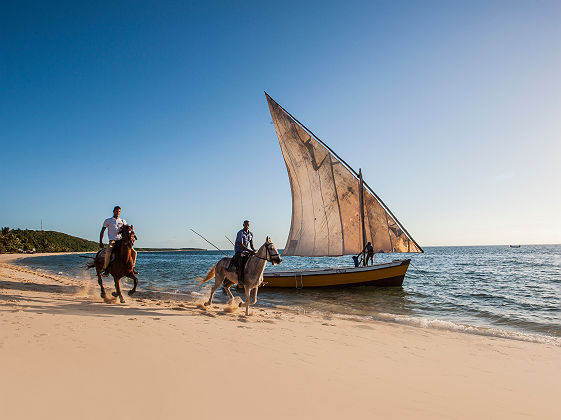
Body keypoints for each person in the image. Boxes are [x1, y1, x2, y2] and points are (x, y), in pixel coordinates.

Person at [99, 206, 137, 276]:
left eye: (119, 211)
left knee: (134, 252)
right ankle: (106, 269)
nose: (118, 212)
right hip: (112, 241)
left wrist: (131, 231)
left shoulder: (122, 221)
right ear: (113, 211)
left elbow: (128, 229)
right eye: (116, 211)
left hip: (121, 241)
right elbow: (102, 230)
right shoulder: (108, 220)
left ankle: (132, 268)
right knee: (108, 252)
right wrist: (100, 241)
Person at [227, 220, 255, 285]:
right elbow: (241, 244)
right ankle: (240, 279)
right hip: (240, 251)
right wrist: (249, 250)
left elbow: (251, 245)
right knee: (240, 261)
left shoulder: (251, 234)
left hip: (246, 251)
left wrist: (254, 250)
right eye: (246, 225)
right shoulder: (240, 233)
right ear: (243, 225)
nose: (247, 226)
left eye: (248, 225)